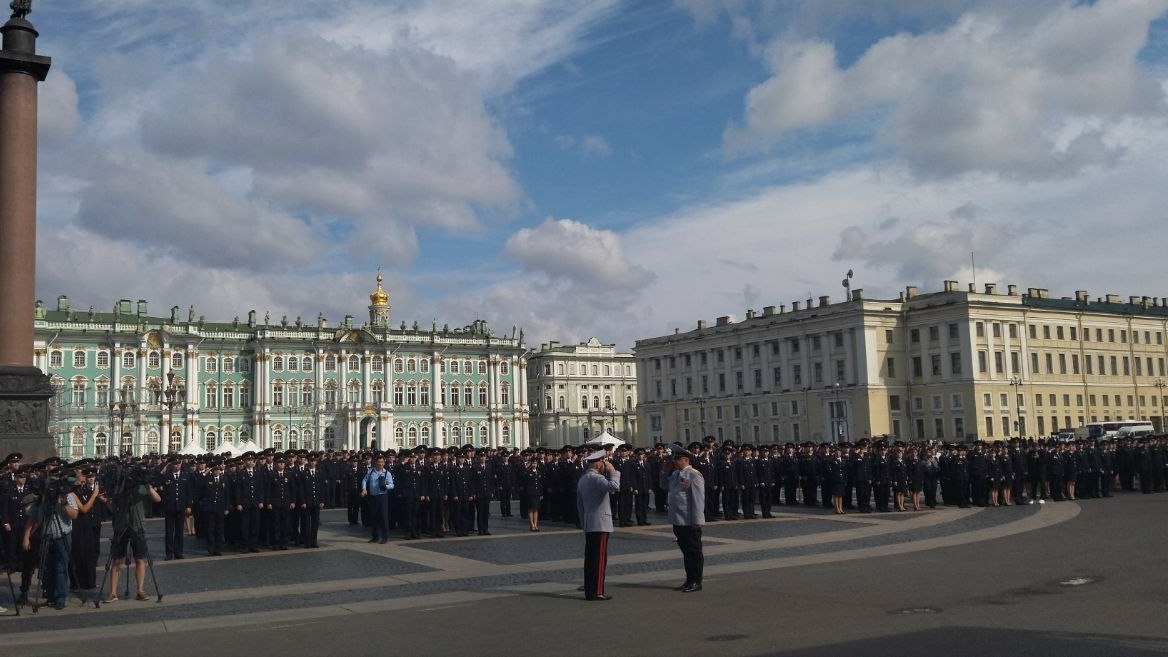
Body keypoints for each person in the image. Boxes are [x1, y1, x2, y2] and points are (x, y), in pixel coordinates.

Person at [101, 477, 161, 603]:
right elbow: (113, 508)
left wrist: (147, 484)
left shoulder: (141, 486)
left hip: (137, 525)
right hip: (121, 525)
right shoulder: (119, 486)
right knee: (116, 559)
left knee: (140, 558)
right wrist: (106, 501)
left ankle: (140, 590)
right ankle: (113, 593)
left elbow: (157, 499)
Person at [23, 483, 80, 609]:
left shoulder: (67, 495)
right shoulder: (42, 497)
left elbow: (74, 515)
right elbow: (32, 518)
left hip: (62, 535)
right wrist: (26, 537)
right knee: (46, 568)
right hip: (47, 536)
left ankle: (60, 597)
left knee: (60, 568)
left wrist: (64, 502)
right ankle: (50, 596)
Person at [577, 449, 620, 601]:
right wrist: (614, 471)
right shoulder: (597, 479)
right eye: (603, 462)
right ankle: (597, 591)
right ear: (598, 464)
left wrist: (584, 523)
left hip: (590, 522)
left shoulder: (583, 479)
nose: (605, 465)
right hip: (601, 523)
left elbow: (580, 505)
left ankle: (590, 590)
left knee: (590, 558)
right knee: (599, 559)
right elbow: (614, 486)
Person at [662, 446, 705, 593]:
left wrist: (697, 521)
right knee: (686, 552)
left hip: (689, 521)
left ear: (685, 460)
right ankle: (689, 579)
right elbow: (662, 485)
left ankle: (696, 581)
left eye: (677, 459)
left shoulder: (694, 474)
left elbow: (698, 499)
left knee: (694, 552)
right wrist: (664, 471)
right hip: (678, 520)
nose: (674, 462)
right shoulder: (675, 474)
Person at [361, 454, 394, 544]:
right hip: (373, 497)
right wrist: (364, 489)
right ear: (376, 463)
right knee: (374, 517)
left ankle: (385, 536)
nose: (380, 464)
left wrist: (385, 486)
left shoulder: (387, 473)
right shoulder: (371, 471)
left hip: (382, 496)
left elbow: (392, 485)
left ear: (384, 463)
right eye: (379, 462)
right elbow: (364, 480)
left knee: (383, 517)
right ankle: (375, 536)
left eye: (382, 462)